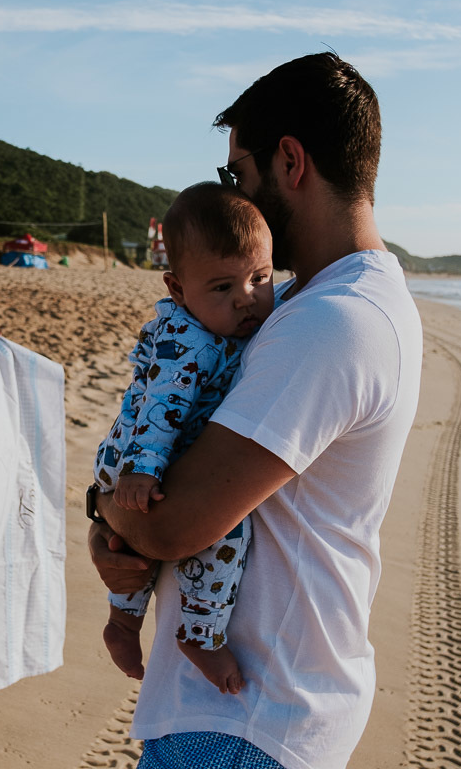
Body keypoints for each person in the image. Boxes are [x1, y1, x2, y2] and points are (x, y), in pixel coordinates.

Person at [88, 53, 423, 769]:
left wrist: (108, 513)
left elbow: (174, 522)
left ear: (291, 161)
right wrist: (111, 516)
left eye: (237, 175)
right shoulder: (317, 305)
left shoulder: (331, 321)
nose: (235, 198)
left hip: (247, 720)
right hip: (259, 712)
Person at [95, 182, 274, 695]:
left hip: (143, 456)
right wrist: (143, 469)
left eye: (260, 278)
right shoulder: (191, 342)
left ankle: (123, 624)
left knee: (130, 548)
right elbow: (160, 404)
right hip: (141, 455)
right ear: (178, 289)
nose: (247, 299)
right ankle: (200, 633)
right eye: (222, 288)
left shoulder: (218, 325)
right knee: (225, 532)